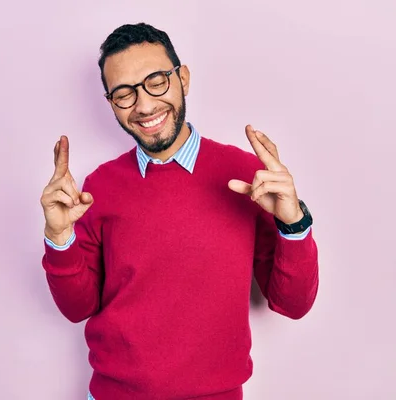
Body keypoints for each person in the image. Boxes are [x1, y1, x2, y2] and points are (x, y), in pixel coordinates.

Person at [39, 22, 319, 400]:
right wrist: (59, 239)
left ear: (183, 78)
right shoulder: (98, 187)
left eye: (156, 81)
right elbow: (78, 308)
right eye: (124, 93)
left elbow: (293, 304)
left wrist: (294, 222)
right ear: (111, 103)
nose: (145, 105)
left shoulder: (246, 177)